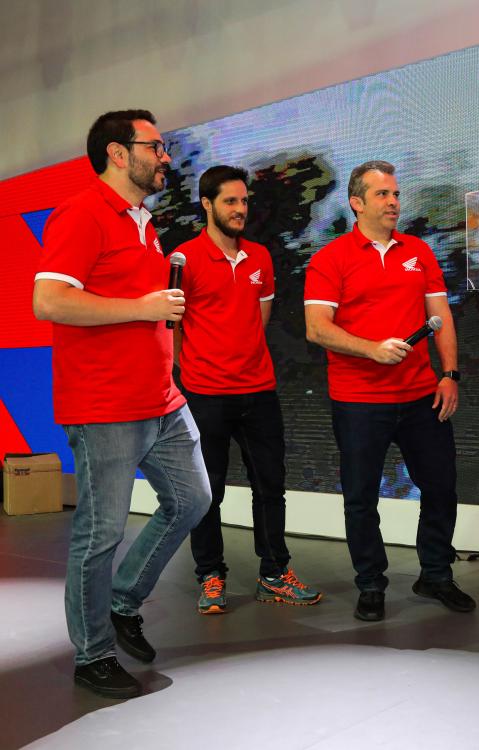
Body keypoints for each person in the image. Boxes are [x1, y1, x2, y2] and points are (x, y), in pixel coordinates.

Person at [32, 110, 212, 700]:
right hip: (104, 405)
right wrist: (143, 307)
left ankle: (123, 599)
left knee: (192, 500)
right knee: (100, 534)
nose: (165, 156)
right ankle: (93, 655)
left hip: (160, 399)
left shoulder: (142, 220)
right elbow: (49, 301)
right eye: (154, 146)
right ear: (117, 152)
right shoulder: (82, 213)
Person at [304, 160, 475, 621]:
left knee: (440, 487)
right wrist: (371, 350)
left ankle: (435, 574)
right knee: (361, 498)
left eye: (396, 194)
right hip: (358, 401)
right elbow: (317, 328)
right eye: (382, 194)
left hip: (421, 396)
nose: (394, 201)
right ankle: (370, 583)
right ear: (356, 203)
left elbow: (441, 315)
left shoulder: (418, 251)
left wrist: (450, 374)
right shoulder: (329, 258)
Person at [172, 165, 320, 612]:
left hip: (258, 391)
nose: (240, 209)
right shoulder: (183, 259)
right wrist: (192, 372)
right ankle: (210, 575)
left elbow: (259, 319)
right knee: (208, 492)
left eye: (244, 201)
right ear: (207, 204)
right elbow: (171, 330)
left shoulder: (260, 258)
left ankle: (274, 574)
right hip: (205, 394)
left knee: (270, 486)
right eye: (230, 201)